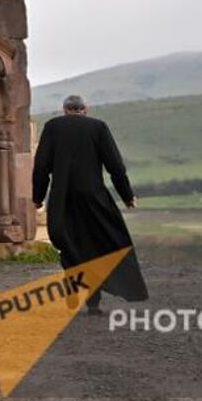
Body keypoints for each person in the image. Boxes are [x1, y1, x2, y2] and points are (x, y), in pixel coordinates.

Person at [32, 95, 148, 313]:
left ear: (65, 109)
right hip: (94, 197)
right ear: (86, 109)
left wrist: (37, 197)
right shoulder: (98, 127)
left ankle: (73, 288)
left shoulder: (52, 127)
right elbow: (115, 165)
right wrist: (127, 195)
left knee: (69, 244)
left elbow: (41, 167)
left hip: (62, 198)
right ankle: (93, 302)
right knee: (98, 243)